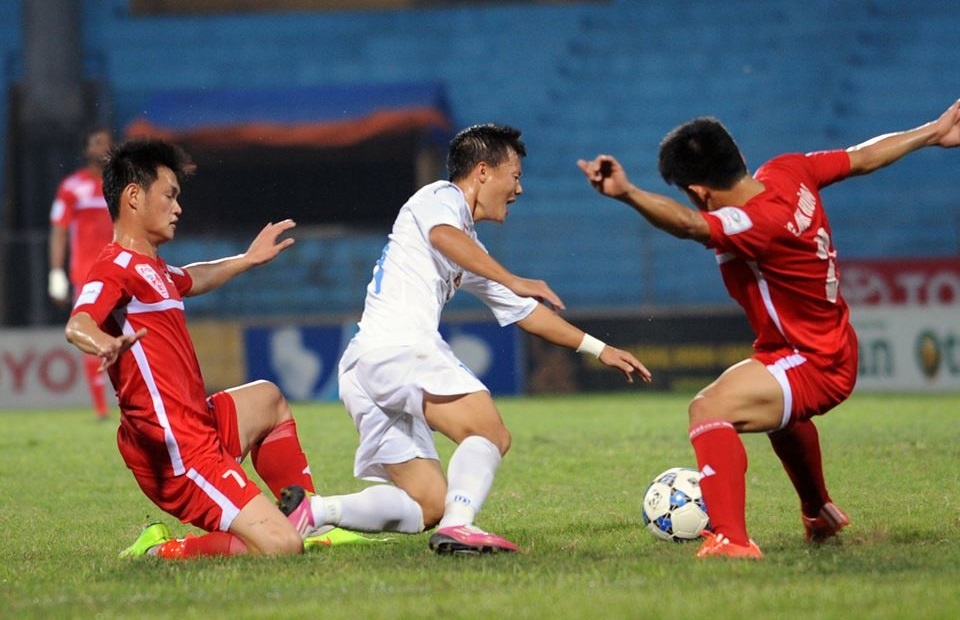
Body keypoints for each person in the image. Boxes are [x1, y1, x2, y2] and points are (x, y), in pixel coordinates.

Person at [578, 100, 960, 559]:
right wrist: (932, 132)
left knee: (708, 409)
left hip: (815, 360)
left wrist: (627, 194)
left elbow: (687, 225)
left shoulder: (754, 223)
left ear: (698, 192)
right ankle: (819, 513)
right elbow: (862, 156)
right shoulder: (788, 171)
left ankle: (732, 541)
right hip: (815, 345)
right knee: (781, 418)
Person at [279, 123, 651, 555]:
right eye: (515, 176)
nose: (520, 189)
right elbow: (444, 236)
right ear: (481, 172)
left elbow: (526, 312)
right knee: (489, 431)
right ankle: (461, 527)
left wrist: (599, 349)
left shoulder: (467, 246)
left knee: (427, 503)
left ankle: (313, 513)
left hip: (366, 366)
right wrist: (514, 277)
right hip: (401, 349)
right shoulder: (438, 197)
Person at [65, 139, 321, 559]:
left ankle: (310, 518)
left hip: (198, 424)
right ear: (134, 196)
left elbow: (193, 278)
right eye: (169, 195)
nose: (178, 208)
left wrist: (247, 259)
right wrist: (105, 342)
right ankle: (166, 549)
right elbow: (79, 322)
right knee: (281, 548)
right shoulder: (116, 267)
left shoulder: (155, 269)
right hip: (178, 454)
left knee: (268, 399)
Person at [49, 126, 114, 420]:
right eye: (98, 143)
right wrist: (55, 272)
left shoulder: (122, 185)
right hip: (86, 274)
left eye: (108, 143)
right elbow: (59, 231)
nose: (104, 148)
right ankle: (101, 407)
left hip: (119, 270)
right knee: (91, 332)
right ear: (87, 150)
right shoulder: (72, 186)